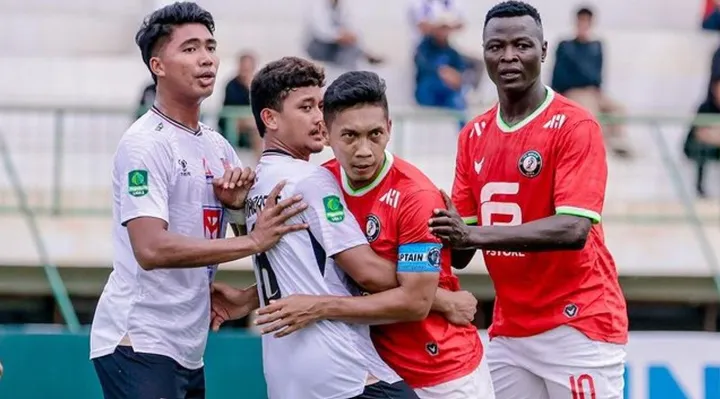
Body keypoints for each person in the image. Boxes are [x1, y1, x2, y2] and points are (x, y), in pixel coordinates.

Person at [88, 3, 307, 399]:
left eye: (210, 46)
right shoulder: (144, 144)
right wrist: (251, 242)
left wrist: (238, 209)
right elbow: (150, 248)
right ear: (158, 65)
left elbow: (245, 232)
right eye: (189, 48)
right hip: (138, 339)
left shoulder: (218, 146)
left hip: (188, 346)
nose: (206, 58)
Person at [246, 70, 494, 399]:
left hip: (443, 373)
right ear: (327, 133)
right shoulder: (321, 183)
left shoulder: (415, 196)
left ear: (389, 129)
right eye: (350, 136)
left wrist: (320, 307)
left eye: (374, 134)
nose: (364, 150)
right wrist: (250, 295)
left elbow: (415, 301)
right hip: (379, 371)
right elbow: (317, 271)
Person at [428, 1, 628, 398]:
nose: (508, 57)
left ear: (544, 50)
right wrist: (438, 227)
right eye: (495, 47)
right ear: (483, 52)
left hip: (578, 323)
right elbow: (464, 248)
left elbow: (574, 229)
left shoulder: (575, 125)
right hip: (513, 327)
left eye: (522, 45)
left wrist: (473, 237)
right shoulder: (473, 135)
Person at [209, 56, 418, 399]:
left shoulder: (253, 187)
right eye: (306, 107)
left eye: (321, 105)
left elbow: (297, 266)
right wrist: (432, 289)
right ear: (270, 118)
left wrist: (249, 297)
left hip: (287, 374)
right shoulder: (310, 178)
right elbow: (367, 273)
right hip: (340, 371)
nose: (321, 118)